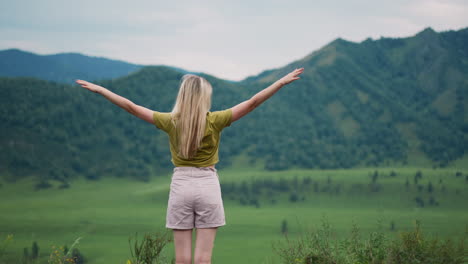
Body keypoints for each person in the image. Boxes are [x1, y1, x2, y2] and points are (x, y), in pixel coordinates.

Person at [75, 67, 304, 264]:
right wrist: (280, 83)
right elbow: (253, 102)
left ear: (182, 97)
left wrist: (102, 90)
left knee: (181, 260)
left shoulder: (170, 122)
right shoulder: (215, 120)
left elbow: (131, 107)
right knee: (203, 260)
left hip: (181, 186)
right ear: (205, 97)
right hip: (208, 186)